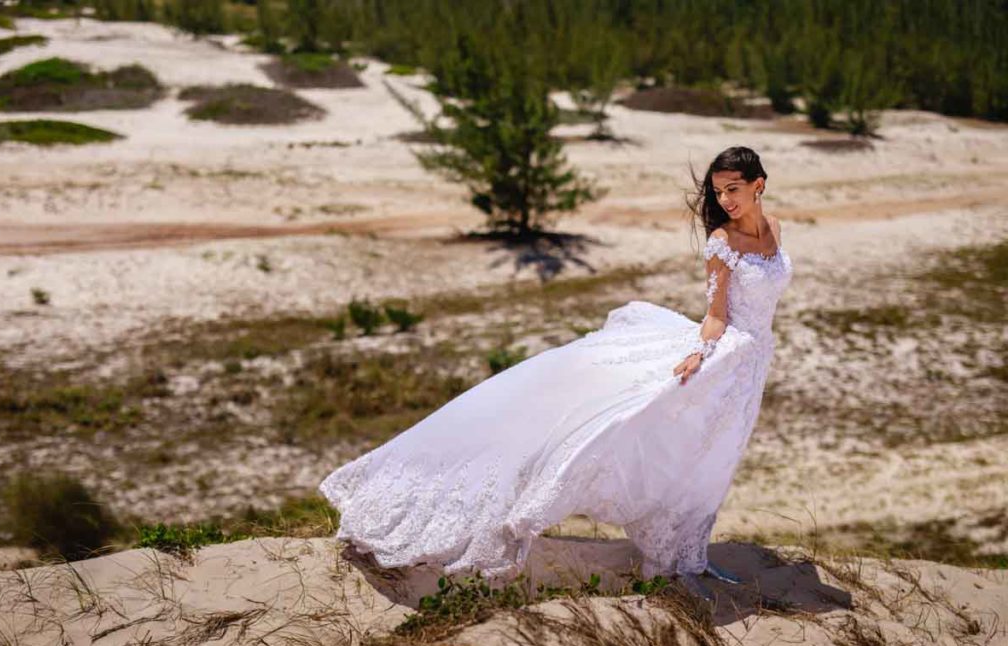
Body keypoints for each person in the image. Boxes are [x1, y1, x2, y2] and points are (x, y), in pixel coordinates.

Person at [318, 146, 792, 600]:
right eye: (719, 192)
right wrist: (701, 353)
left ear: (759, 185)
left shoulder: (772, 226)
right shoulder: (721, 242)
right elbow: (715, 314)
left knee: (718, 455)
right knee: (646, 430)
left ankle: (689, 553)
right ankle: (673, 557)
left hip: (753, 363)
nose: (725, 200)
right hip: (725, 354)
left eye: (733, 189)